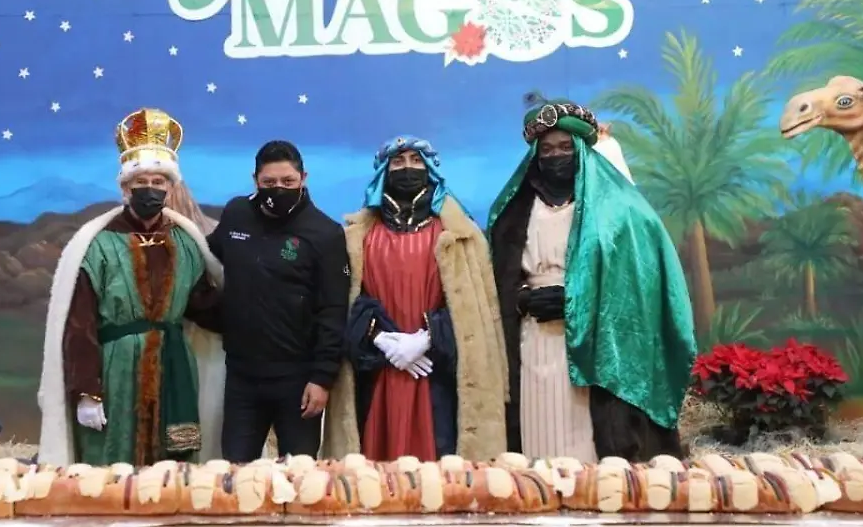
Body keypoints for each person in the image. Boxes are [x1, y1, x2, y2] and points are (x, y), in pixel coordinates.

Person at [487, 95, 696, 462]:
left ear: (582, 150)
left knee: (590, 442)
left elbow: (637, 286)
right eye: (546, 149)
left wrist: (576, 301)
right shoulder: (514, 209)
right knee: (538, 435)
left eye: (565, 147)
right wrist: (521, 298)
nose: (555, 155)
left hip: (596, 346)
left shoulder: (620, 209)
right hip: (534, 337)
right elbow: (498, 276)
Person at [37, 107, 226, 466]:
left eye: (159, 182)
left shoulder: (185, 242)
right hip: (116, 369)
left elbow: (203, 305)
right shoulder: (99, 244)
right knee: (112, 460)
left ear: (170, 188)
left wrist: (255, 311)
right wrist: (87, 391)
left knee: (174, 460)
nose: (150, 190)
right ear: (125, 187)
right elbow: (79, 323)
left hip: (173, 367)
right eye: (141, 182)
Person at [322, 137, 507, 462]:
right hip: (377, 369)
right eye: (398, 162)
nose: (407, 168)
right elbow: (343, 300)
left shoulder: (461, 236)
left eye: (416, 161)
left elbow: (476, 308)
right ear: (384, 171)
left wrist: (426, 338)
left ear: (430, 169)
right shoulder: (356, 237)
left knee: (443, 465)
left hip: (438, 369)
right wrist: (380, 339)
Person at [209, 140, 350, 462]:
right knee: (235, 471)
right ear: (255, 180)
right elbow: (209, 260)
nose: (279, 189)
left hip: (297, 379)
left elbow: (333, 310)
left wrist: (322, 378)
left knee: (299, 476)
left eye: (288, 181)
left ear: (303, 178)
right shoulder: (236, 214)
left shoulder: (325, 233)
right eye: (269, 182)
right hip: (242, 376)